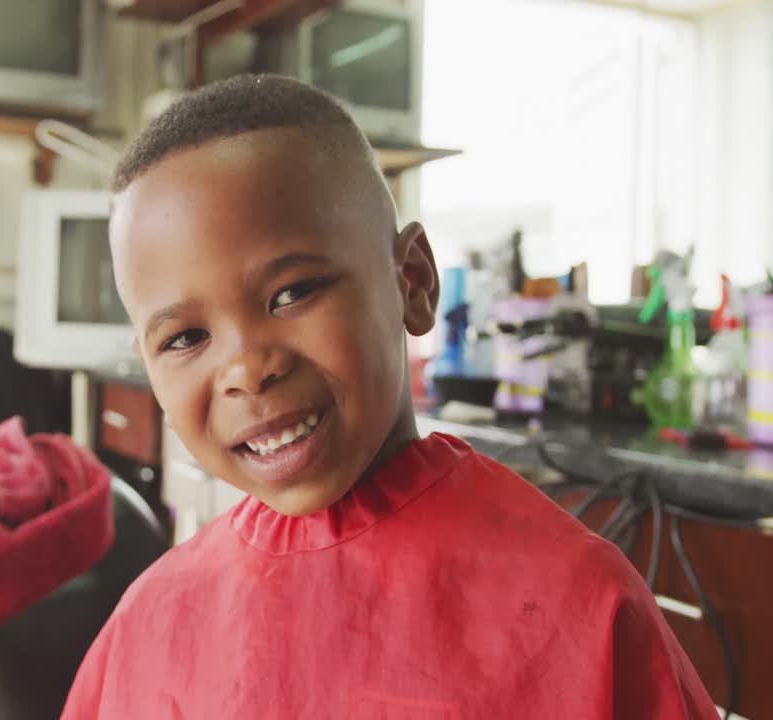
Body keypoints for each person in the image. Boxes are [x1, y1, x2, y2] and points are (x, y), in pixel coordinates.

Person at [61, 75, 713, 718]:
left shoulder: (583, 608)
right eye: (185, 337)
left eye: (291, 294)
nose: (247, 369)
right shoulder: (148, 623)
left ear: (415, 282)